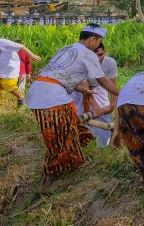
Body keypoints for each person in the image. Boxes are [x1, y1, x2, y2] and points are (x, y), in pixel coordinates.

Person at [25, 24, 119, 194]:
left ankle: (52, 174)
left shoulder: (66, 48)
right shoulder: (88, 54)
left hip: (39, 92)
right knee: (61, 138)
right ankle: (52, 179)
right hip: (51, 97)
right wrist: (123, 94)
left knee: (62, 134)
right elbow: (104, 82)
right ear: (92, 40)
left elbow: (57, 74)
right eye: (98, 42)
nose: (98, 46)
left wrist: (81, 88)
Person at [70, 43, 119, 147]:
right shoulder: (82, 63)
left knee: (105, 116)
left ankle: (103, 145)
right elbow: (86, 90)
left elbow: (112, 85)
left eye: (101, 54)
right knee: (80, 118)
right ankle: (84, 144)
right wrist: (96, 108)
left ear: (104, 52)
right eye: (94, 55)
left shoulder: (110, 63)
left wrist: (112, 104)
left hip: (99, 88)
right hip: (80, 90)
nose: (98, 58)